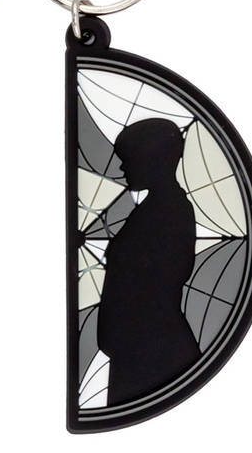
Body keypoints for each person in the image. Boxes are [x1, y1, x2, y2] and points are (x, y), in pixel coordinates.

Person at [97, 119, 200, 406]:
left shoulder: (168, 211)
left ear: (152, 160)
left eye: (128, 159)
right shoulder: (159, 209)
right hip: (140, 345)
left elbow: (165, 274)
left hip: (150, 347)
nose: (122, 168)